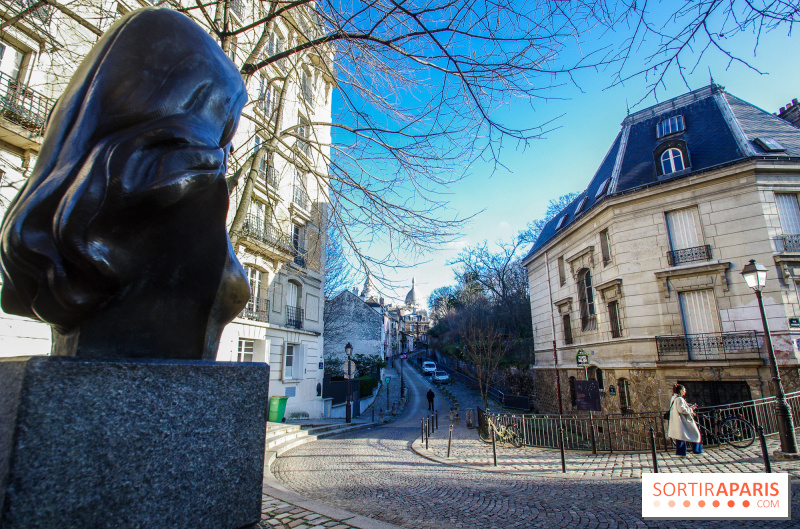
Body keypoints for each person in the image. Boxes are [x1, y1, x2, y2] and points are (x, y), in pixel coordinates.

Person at [667, 384, 703, 456]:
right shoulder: (679, 399)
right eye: (684, 390)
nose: (685, 392)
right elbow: (681, 410)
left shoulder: (674, 398)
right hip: (683, 421)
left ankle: (681, 453)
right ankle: (697, 451)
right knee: (696, 435)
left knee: (680, 437)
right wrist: (691, 409)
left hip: (679, 421)